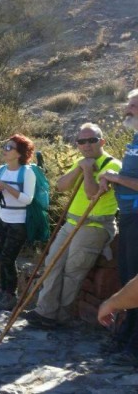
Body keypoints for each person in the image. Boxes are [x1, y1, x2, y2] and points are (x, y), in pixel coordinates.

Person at [23, 124, 121, 328]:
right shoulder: (80, 161)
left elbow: (92, 194)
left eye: (92, 140)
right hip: (72, 222)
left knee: (73, 270)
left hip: (95, 225)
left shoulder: (112, 165)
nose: (86, 145)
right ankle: (45, 311)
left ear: (101, 141)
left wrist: (87, 171)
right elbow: (61, 186)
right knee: (52, 264)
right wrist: (79, 167)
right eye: (81, 141)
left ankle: (61, 315)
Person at [99, 89, 138, 362]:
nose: (128, 109)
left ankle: (133, 345)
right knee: (127, 277)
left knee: (135, 279)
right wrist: (111, 180)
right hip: (127, 217)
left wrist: (115, 177)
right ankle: (126, 335)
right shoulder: (134, 139)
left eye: (133, 105)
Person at [0, 134, 36, 311]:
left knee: (8, 257)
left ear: (20, 153)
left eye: (9, 148)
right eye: (5, 147)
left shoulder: (27, 173)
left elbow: (27, 199)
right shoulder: (0, 170)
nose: (4, 151)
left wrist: (6, 187)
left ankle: (10, 295)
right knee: (2, 256)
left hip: (19, 222)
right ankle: (3, 291)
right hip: (3, 218)